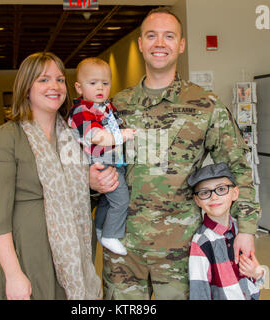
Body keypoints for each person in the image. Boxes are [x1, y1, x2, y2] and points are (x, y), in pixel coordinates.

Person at [101, 7, 261, 300]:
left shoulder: (205, 104)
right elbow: (94, 160)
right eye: (151, 36)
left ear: (181, 45)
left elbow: (239, 164)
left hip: (183, 250)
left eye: (169, 36)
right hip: (124, 249)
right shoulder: (117, 105)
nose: (159, 43)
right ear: (140, 44)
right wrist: (91, 179)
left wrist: (246, 228)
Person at [0, 52, 110, 300]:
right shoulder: (6, 138)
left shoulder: (75, 136)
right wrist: (13, 274)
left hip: (75, 253)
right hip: (31, 256)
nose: (54, 86)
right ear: (26, 88)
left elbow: (83, 195)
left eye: (60, 79)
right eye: (43, 80)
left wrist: (93, 183)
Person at [68, 57, 135, 256]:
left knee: (107, 201)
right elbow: (97, 137)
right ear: (79, 88)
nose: (100, 88)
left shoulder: (105, 106)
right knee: (121, 200)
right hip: (99, 162)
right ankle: (110, 235)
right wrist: (122, 136)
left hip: (113, 160)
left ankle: (100, 229)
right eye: (93, 83)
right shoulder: (81, 111)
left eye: (105, 83)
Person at [188, 162, 265, 300]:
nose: (214, 197)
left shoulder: (241, 232)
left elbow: (253, 276)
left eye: (221, 189)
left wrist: (257, 273)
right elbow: (199, 292)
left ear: (235, 193)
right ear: (197, 200)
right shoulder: (201, 243)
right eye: (205, 192)